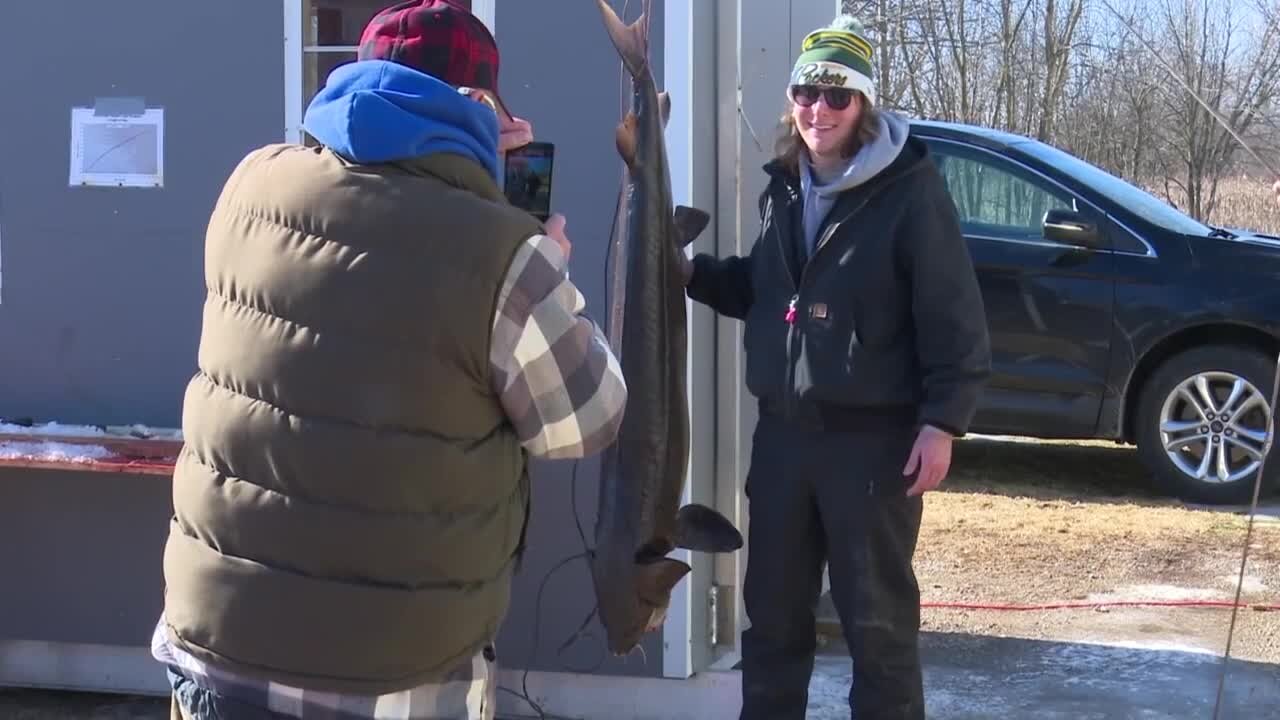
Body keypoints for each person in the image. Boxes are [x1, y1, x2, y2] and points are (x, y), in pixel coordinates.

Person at [151, 2, 627, 719]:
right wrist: (541, 265)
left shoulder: (250, 186)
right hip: (387, 678)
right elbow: (586, 419)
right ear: (476, 104)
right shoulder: (504, 255)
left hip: (214, 648)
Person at [682, 15, 991, 720]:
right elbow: (767, 290)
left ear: (864, 105)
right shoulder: (785, 187)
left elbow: (955, 319)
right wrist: (689, 273)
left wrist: (943, 422)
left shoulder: (910, 192)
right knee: (773, 626)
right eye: (806, 92)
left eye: (837, 95)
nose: (818, 109)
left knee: (877, 631)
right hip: (785, 440)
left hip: (873, 449)